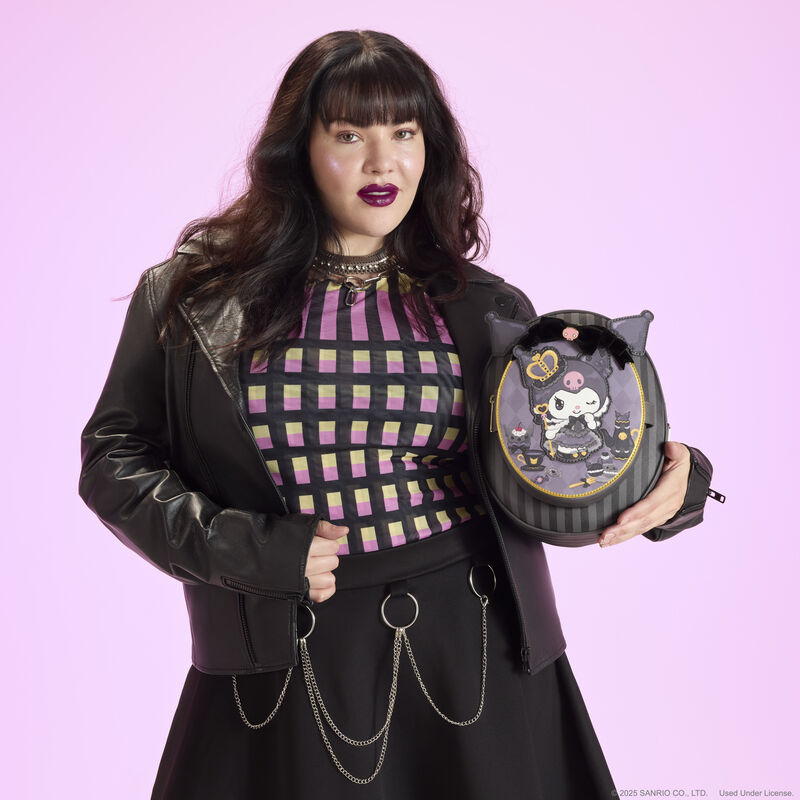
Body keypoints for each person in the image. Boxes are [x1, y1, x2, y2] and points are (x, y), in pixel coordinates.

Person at [78, 29, 714, 799]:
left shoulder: (485, 308)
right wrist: (245, 550)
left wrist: (674, 481)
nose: (383, 163)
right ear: (299, 150)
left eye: (404, 133)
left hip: (476, 650)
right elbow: (113, 458)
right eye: (350, 135)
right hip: (280, 657)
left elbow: (555, 464)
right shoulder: (194, 298)